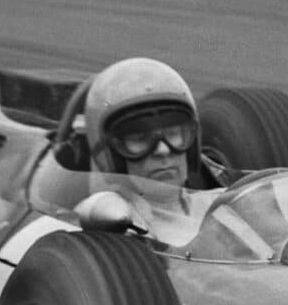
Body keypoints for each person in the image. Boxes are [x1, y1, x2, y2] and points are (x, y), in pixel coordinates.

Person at [76, 57, 228, 246]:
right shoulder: (115, 220)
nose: (163, 150)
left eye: (173, 134)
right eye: (140, 139)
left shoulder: (225, 204)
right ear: (110, 156)